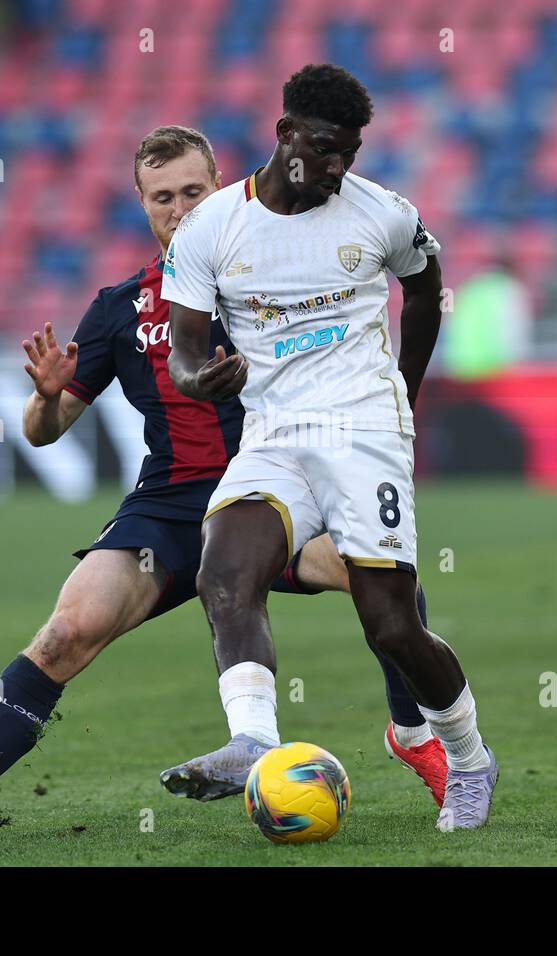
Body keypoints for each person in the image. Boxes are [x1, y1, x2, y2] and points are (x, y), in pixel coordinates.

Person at [0, 125, 445, 838]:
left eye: (194, 191)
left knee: (382, 569)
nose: (180, 208)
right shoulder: (120, 308)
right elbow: (47, 429)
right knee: (66, 633)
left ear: (218, 186)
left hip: (272, 493)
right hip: (171, 509)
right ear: (142, 204)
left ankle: (410, 732)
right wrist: (43, 395)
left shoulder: (274, 273)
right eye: (163, 197)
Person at [160, 65, 498, 831]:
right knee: (223, 570)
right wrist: (200, 378)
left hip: (362, 430)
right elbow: (183, 353)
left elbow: (424, 285)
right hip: (274, 434)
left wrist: (402, 394)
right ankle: (253, 739)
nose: (339, 167)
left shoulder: (381, 214)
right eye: (324, 148)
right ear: (284, 136)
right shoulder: (212, 228)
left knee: (390, 624)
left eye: (349, 151)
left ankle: (471, 760)